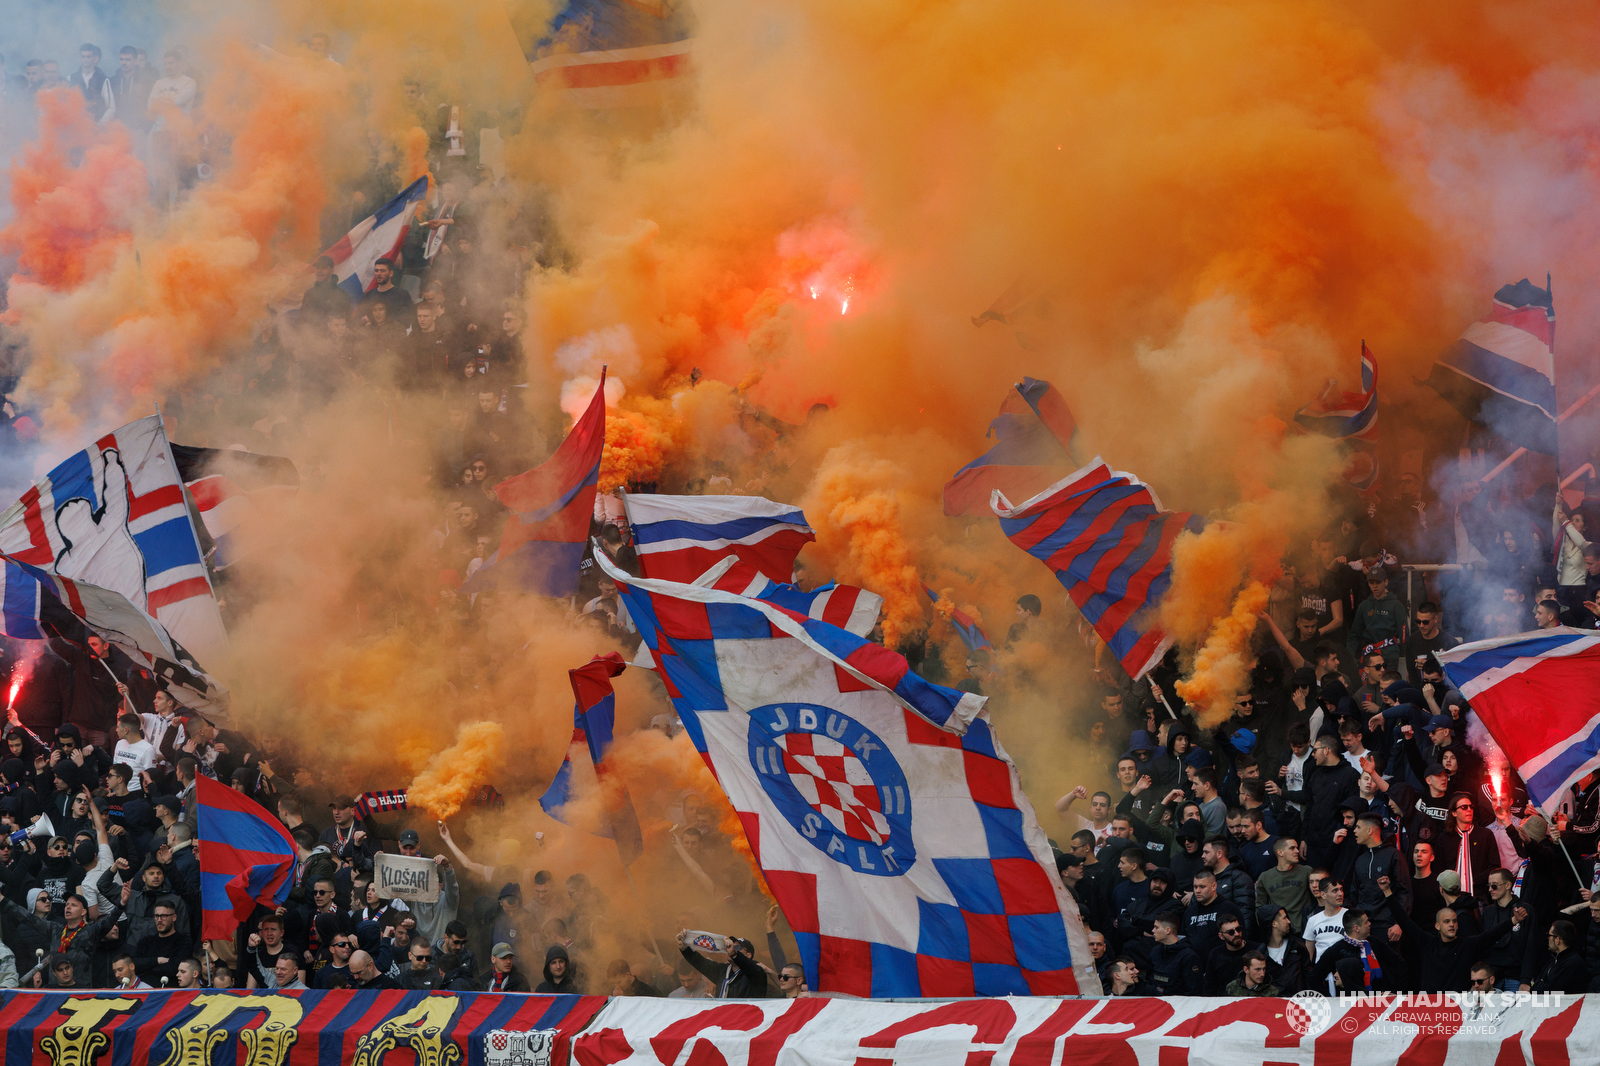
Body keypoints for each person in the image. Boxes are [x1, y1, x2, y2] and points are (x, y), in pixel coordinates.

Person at [1380, 875, 1503, 992]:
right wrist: (1387, 892)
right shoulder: (1427, 942)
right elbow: (1404, 921)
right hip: (1432, 1007)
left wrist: (1514, 920)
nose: (1451, 924)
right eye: (1447, 921)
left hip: (1457, 1007)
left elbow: (1491, 935)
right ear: (1437, 925)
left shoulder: (1466, 944)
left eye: (1454, 921)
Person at [677, 930, 768, 998]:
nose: (732, 949)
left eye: (737, 947)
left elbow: (749, 967)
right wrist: (684, 948)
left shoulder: (757, 972)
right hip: (722, 1020)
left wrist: (734, 954)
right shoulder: (722, 970)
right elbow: (700, 963)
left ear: (748, 955)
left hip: (746, 1021)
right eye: (731, 945)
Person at [1141, 914, 1202, 995]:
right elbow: (1148, 981)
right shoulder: (1155, 951)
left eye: (1156, 927)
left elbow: (1193, 991)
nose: (1153, 930)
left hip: (1177, 1005)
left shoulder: (1188, 956)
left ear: (1168, 930)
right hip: (1154, 1002)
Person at [1532, 921, 1586, 994]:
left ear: (1557, 940)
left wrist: (1539, 983)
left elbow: (1550, 990)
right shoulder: (1553, 960)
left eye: (1549, 935)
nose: (1548, 938)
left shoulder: (1570, 964)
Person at [67, 44, 115, 124]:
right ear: (80, 57)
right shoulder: (71, 79)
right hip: (76, 128)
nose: (86, 59)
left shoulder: (103, 80)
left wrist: (100, 124)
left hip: (96, 130)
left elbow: (111, 107)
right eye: (83, 56)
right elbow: (66, 105)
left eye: (89, 56)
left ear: (94, 58)